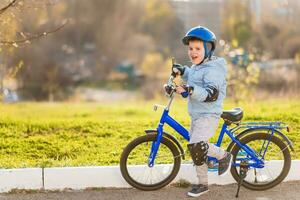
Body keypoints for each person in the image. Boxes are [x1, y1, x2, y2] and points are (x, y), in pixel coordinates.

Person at [172, 26, 232, 197]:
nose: (193, 52)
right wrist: (183, 71)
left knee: (197, 145)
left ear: (207, 49)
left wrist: (190, 90)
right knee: (196, 149)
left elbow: (210, 94)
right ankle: (203, 183)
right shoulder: (199, 66)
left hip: (208, 114)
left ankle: (224, 156)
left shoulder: (214, 69)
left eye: (198, 48)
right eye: (190, 48)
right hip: (197, 114)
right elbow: (194, 76)